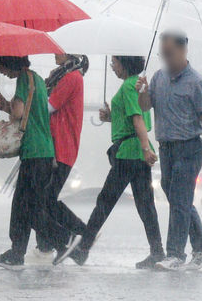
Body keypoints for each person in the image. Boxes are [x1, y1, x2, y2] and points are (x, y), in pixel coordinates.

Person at [57, 55, 164, 269]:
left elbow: (137, 119)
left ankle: (84, 248)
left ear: (124, 64)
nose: (112, 67)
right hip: (135, 152)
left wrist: (144, 148)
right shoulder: (138, 85)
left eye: (114, 62)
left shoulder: (128, 86)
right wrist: (111, 117)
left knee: (105, 201)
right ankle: (157, 251)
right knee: (145, 205)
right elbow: (131, 116)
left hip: (128, 154)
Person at [137, 29, 202, 271]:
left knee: (180, 200)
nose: (166, 59)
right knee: (176, 197)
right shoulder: (158, 78)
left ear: (183, 50)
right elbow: (146, 106)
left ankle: (175, 254)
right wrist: (142, 92)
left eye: (170, 53)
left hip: (189, 147)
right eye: (163, 54)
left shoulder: (197, 82)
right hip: (167, 149)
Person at [0, 56, 80, 270]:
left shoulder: (23, 79)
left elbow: (19, 113)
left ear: (10, 63)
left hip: (35, 153)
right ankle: (16, 253)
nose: (2, 72)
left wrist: (5, 106)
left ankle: (65, 240)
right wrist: (7, 105)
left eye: (2, 66)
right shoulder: (37, 79)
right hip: (41, 153)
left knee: (29, 209)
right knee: (22, 207)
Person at [31, 54, 88, 263]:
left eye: (58, 49)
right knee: (45, 200)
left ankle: (80, 235)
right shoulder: (64, 76)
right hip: (58, 146)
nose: (54, 53)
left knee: (44, 200)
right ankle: (59, 245)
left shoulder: (71, 78)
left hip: (61, 147)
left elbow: (48, 107)